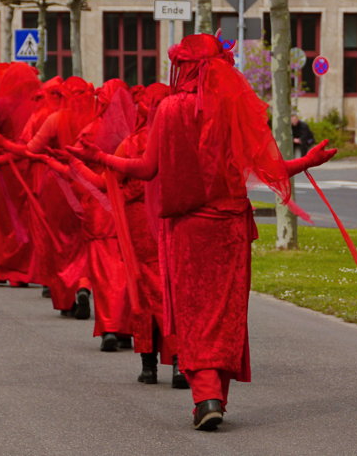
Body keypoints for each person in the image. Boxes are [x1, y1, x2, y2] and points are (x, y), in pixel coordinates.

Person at [68, 33, 336, 431]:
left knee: (194, 313)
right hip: (229, 228)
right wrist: (306, 162)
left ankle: (205, 395)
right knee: (225, 313)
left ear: (186, 67)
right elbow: (266, 168)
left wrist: (100, 157)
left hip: (187, 230)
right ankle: (216, 399)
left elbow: (146, 169)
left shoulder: (170, 110)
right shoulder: (233, 108)